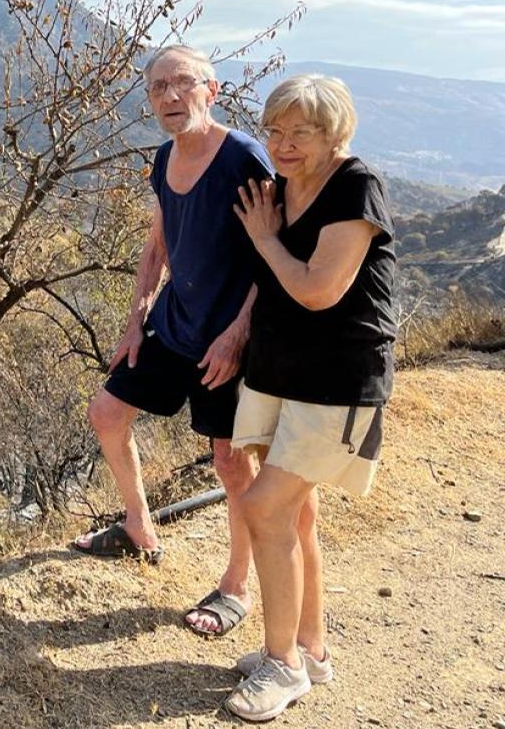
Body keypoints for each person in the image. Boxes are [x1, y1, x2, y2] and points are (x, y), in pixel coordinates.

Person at [72, 45, 270, 638]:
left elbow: (273, 252)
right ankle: (138, 527)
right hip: (173, 324)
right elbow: (157, 244)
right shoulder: (163, 159)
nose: (168, 97)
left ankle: (238, 586)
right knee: (106, 414)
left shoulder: (243, 158)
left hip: (228, 337)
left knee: (232, 463)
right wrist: (135, 319)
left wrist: (239, 335)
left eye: (182, 83)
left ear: (211, 89)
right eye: (158, 87)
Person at [224, 73, 397, 721]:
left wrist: (266, 239)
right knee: (295, 517)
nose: (283, 143)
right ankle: (310, 648)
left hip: (337, 380)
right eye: (275, 129)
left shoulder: (355, 187)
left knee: (265, 510)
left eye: (301, 131)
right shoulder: (281, 189)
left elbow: (320, 289)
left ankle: (283, 668)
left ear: (334, 134)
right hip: (279, 373)